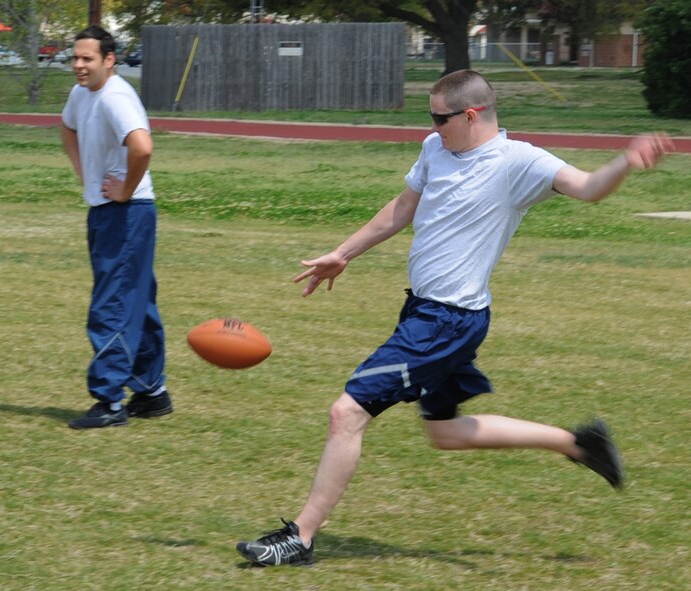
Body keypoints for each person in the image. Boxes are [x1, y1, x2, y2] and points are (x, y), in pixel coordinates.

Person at [236, 69, 672, 566]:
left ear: (471, 115)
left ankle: (302, 537)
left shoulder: (518, 162)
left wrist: (625, 162)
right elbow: (403, 207)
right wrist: (344, 253)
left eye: (439, 117)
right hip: (425, 310)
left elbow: (589, 187)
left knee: (347, 412)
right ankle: (577, 443)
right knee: (443, 433)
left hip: (446, 322)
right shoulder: (435, 149)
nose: (432, 125)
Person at [61, 25, 172, 429]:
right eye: (74, 57)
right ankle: (151, 391)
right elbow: (67, 126)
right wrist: (84, 173)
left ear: (109, 60)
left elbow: (142, 147)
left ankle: (109, 402)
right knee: (136, 301)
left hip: (127, 214)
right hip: (109, 212)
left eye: (86, 58)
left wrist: (124, 189)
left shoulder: (116, 96)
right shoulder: (81, 94)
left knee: (112, 302)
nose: (78, 65)